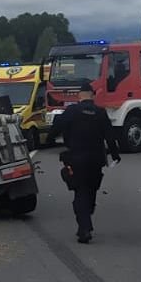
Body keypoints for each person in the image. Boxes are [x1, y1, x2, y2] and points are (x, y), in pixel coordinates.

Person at [48, 81, 121, 243]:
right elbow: (110, 136)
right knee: (91, 189)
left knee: (80, 191)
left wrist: (49, 140)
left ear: (79, 95)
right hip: (96, 159)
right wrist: (115, 155)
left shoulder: (72, 111)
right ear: (93, 95)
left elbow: (56, 128)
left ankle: (84, 228)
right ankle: (87, 215)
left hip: (76, 158)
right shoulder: (100, 112)